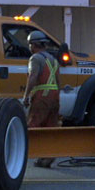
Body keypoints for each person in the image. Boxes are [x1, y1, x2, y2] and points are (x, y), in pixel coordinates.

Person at [23, 30, 60, 167]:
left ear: (33, 45)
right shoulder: (53, 60)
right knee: (50, 127)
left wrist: (26, 95)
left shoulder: (35, 59)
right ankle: (47, 156)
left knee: (33, 126)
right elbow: (58, 82)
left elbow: (33, 76)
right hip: (55, 97)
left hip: (42, 97)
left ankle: (24, 155)